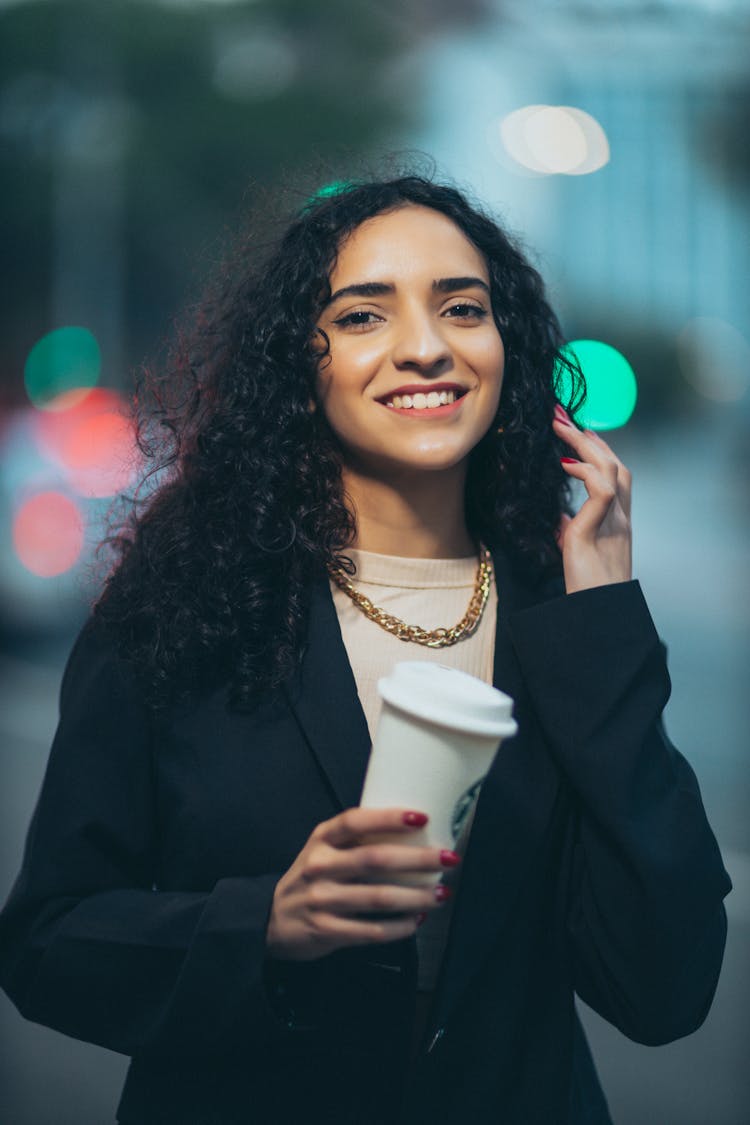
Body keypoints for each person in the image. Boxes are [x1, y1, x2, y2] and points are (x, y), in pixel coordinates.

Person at [0, 174, 731, 1125]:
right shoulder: (189, 602)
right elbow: (48, 942)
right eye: (362, 316)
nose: (425, 346)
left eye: (463, 308)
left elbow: (665, 988)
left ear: (507, 345)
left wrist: (603, 621)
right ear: (298, 364)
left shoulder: (566, 618)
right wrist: (264, 923)